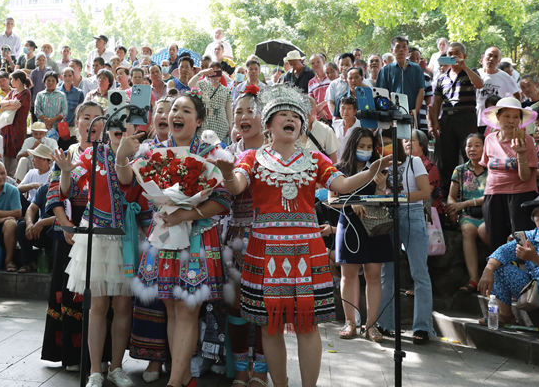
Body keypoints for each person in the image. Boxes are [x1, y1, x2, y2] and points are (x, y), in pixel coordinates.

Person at [215, 85, 392, 386]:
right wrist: (228, 173)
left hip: (305, 249)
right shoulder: (252, 156)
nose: (290, 119)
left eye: (295, 116)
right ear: (269, 124)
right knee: (271, 326)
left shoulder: (315, 159)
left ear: (302, 125)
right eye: (282, 115)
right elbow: (236, 187)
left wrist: (371, 172)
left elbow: (344, 184)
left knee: (307, 324)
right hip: (265, 248)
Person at [115, 92, 232, 387]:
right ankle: (181, 378)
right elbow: (128, 182)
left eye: (186, 110)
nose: (177, 114)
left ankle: (176, 381)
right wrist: (121, 156)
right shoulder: (153, 150)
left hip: (197, 238)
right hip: (165, 235)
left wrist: (186, 214)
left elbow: (222, 201)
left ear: (199, 120)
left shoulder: (211, 152)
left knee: (187, 308)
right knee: (170, 307)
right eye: (174, 109)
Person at [53, 117, 143, 387]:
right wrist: (66, 171)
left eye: (127, 129)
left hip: (126, 236)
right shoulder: (93, 154)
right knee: (99, 305)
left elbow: (128, 182)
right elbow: (66, 191)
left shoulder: (140, 156)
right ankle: (95, 370)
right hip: (97, 234)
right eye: (116, 129)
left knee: (124, 304)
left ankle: (116, 367)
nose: (120, 133)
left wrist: (124, 154)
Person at [41, 101, 103, 369]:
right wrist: (66, 226)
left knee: (97, 292)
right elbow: (55, 193)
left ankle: (98, 358)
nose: (90, 123)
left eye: (96, 119)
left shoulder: (110, 153)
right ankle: (69, 353)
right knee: (68, 289)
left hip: (101, 226)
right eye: (85, 117)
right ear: (76, 122)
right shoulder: (66, 153)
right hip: (70, 225)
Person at [223, 88, 268, 386]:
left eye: (251, 110)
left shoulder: (276, 153)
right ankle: (241, 368)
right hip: (234, 236)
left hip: (267, 238)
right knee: (235, 305)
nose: (243, 116)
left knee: (265, 307)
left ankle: (262, 370)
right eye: (238, 111)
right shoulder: (229, 154)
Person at [478, 193, 539, 343]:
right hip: (533, 288)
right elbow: (502, 252)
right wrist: (488, 270)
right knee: (499, 267)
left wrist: (537, 259)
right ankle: (505, 315)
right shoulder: (528, 236)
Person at [376, 132, 435, 344]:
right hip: (386, 215)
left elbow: (424, 191)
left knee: (419, 271)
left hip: (412, 213)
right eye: (384, 143)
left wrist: (395, 197)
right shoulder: (378, 164)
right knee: (387, 272)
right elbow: (376, 193)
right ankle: (385, 323)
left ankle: (422, 326)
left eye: (392, 142)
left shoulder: (414, 161)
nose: (388, 147)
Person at [334, 127, 392, 342]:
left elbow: (381, 200)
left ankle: (371, 324)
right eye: (362, 146)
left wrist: (381, 187)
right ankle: (350, 322)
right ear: (352, 146)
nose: (366, 150)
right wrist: (351, 202)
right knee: (348, 275)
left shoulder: (379, 168)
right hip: (349, 224)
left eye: (369, 147)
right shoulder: (340, 169)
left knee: (374, 274)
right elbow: (331, 198)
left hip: (374, 225)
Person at [480, 97, 538, 252]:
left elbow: (526, 177)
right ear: (498, 117)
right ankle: (499, 274)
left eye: (515, 117)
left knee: (522, 239)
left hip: (520, 195)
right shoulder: (489, 139)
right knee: (496, 239)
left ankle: (527, 273)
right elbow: (487, 167)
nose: (511, 120)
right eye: (507, 116)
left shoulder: (527, 141)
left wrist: (521, 154)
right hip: (493, 195)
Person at [428, 41, 483, 195]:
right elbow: (436, 103)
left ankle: (471, 190)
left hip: (466, 117)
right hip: (446, 119)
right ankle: (446, 192)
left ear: (464, 56)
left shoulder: (472, 72)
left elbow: (479, 84)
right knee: (445, 157)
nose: (453, 56)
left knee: (469, 154)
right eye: (450, 54)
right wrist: (434, 124)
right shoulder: (441, 78)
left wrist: (464, 66)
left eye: (457, 53)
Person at [446, 133, 488, 292]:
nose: (472, 149)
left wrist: (464, 203)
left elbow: (490, 196)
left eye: (477, 145)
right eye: (469, 145)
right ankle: (473, 280)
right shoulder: (460, 170)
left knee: (485, 231)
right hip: (468, 215)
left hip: (487, 213)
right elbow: (451, 196)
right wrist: (452, 208)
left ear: (484, 148)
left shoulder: (490, 168)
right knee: (467, 230)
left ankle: (495, 275)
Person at [376, 36, 425, 124]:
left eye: (404, 47)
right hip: (391, 115)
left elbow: (421, 91)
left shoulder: (416, 68)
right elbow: (382, 93)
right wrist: (391, 110)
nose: (401, 50)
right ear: (392, 50)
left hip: (411, 114)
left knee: (413, 137)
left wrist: (415, 111)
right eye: (398, 47)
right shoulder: (385, 70)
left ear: (408, 50)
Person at [476, 46, 521, 131]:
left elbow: (517, 96)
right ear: (483, 57)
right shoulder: (476, 74)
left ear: (499, 61)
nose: (491, 59)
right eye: (489, 55)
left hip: (496, 122)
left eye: (495, 57)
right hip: (477, 119)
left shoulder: (505, 77)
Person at [0, 71, 32, 174]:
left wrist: (8, 105)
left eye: (12, 79)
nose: (11, 82)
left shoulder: (26, 93)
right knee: (6, 151)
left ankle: (15, 176)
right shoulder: (11, 92)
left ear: (18, 80)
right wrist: (10, 102)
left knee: (16, 150)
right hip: (7, 125)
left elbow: (17, 106)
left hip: (17, 127)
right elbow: (1, 104)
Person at [194, 61, 232, 144]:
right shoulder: (202, 84)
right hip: (205, 123)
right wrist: (202, 72)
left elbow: (229, 111)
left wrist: (230, 127)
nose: (215, 74)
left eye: (218, 71)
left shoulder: (226, 90)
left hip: (221, 125)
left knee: (220, 150)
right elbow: (190, 84)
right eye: (213, 71)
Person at [35, 72, 67, 137]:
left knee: (56, 145)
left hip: (57, 127)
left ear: (57, 82)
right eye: (48, 80)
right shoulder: (40, 95)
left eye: (53, 81)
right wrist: (46, 120)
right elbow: (37, 110)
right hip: (42, 127)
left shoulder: (61, 95)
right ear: (44, 82)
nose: (50, 83)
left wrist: (52, 120)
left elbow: (64, 111)